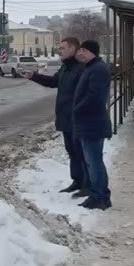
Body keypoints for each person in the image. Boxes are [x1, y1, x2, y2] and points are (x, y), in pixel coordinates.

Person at [23, 38, 88, 196]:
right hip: (65, 118)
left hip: (78, 119)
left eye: (63, 48)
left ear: (73, 49)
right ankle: (77, 181)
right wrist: (33, 75)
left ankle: (88, 185)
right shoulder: (65, 68)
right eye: (60, 48)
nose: (60, 51)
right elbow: (53, 82)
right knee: (72, 152)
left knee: (82, 153)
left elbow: (86, 96)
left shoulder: (81, 69)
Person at [72, 40, 113, 210]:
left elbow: (95, 97)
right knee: (93, 161)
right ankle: (100, 194)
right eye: (80, 50)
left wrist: (78, 109)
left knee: (94, 162)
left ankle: (99, 197)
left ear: (93, 52)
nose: (80, 53)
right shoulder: (91, 67)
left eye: (84, 50)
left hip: (93, 124)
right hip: (89, 123)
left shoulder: (98, 69)